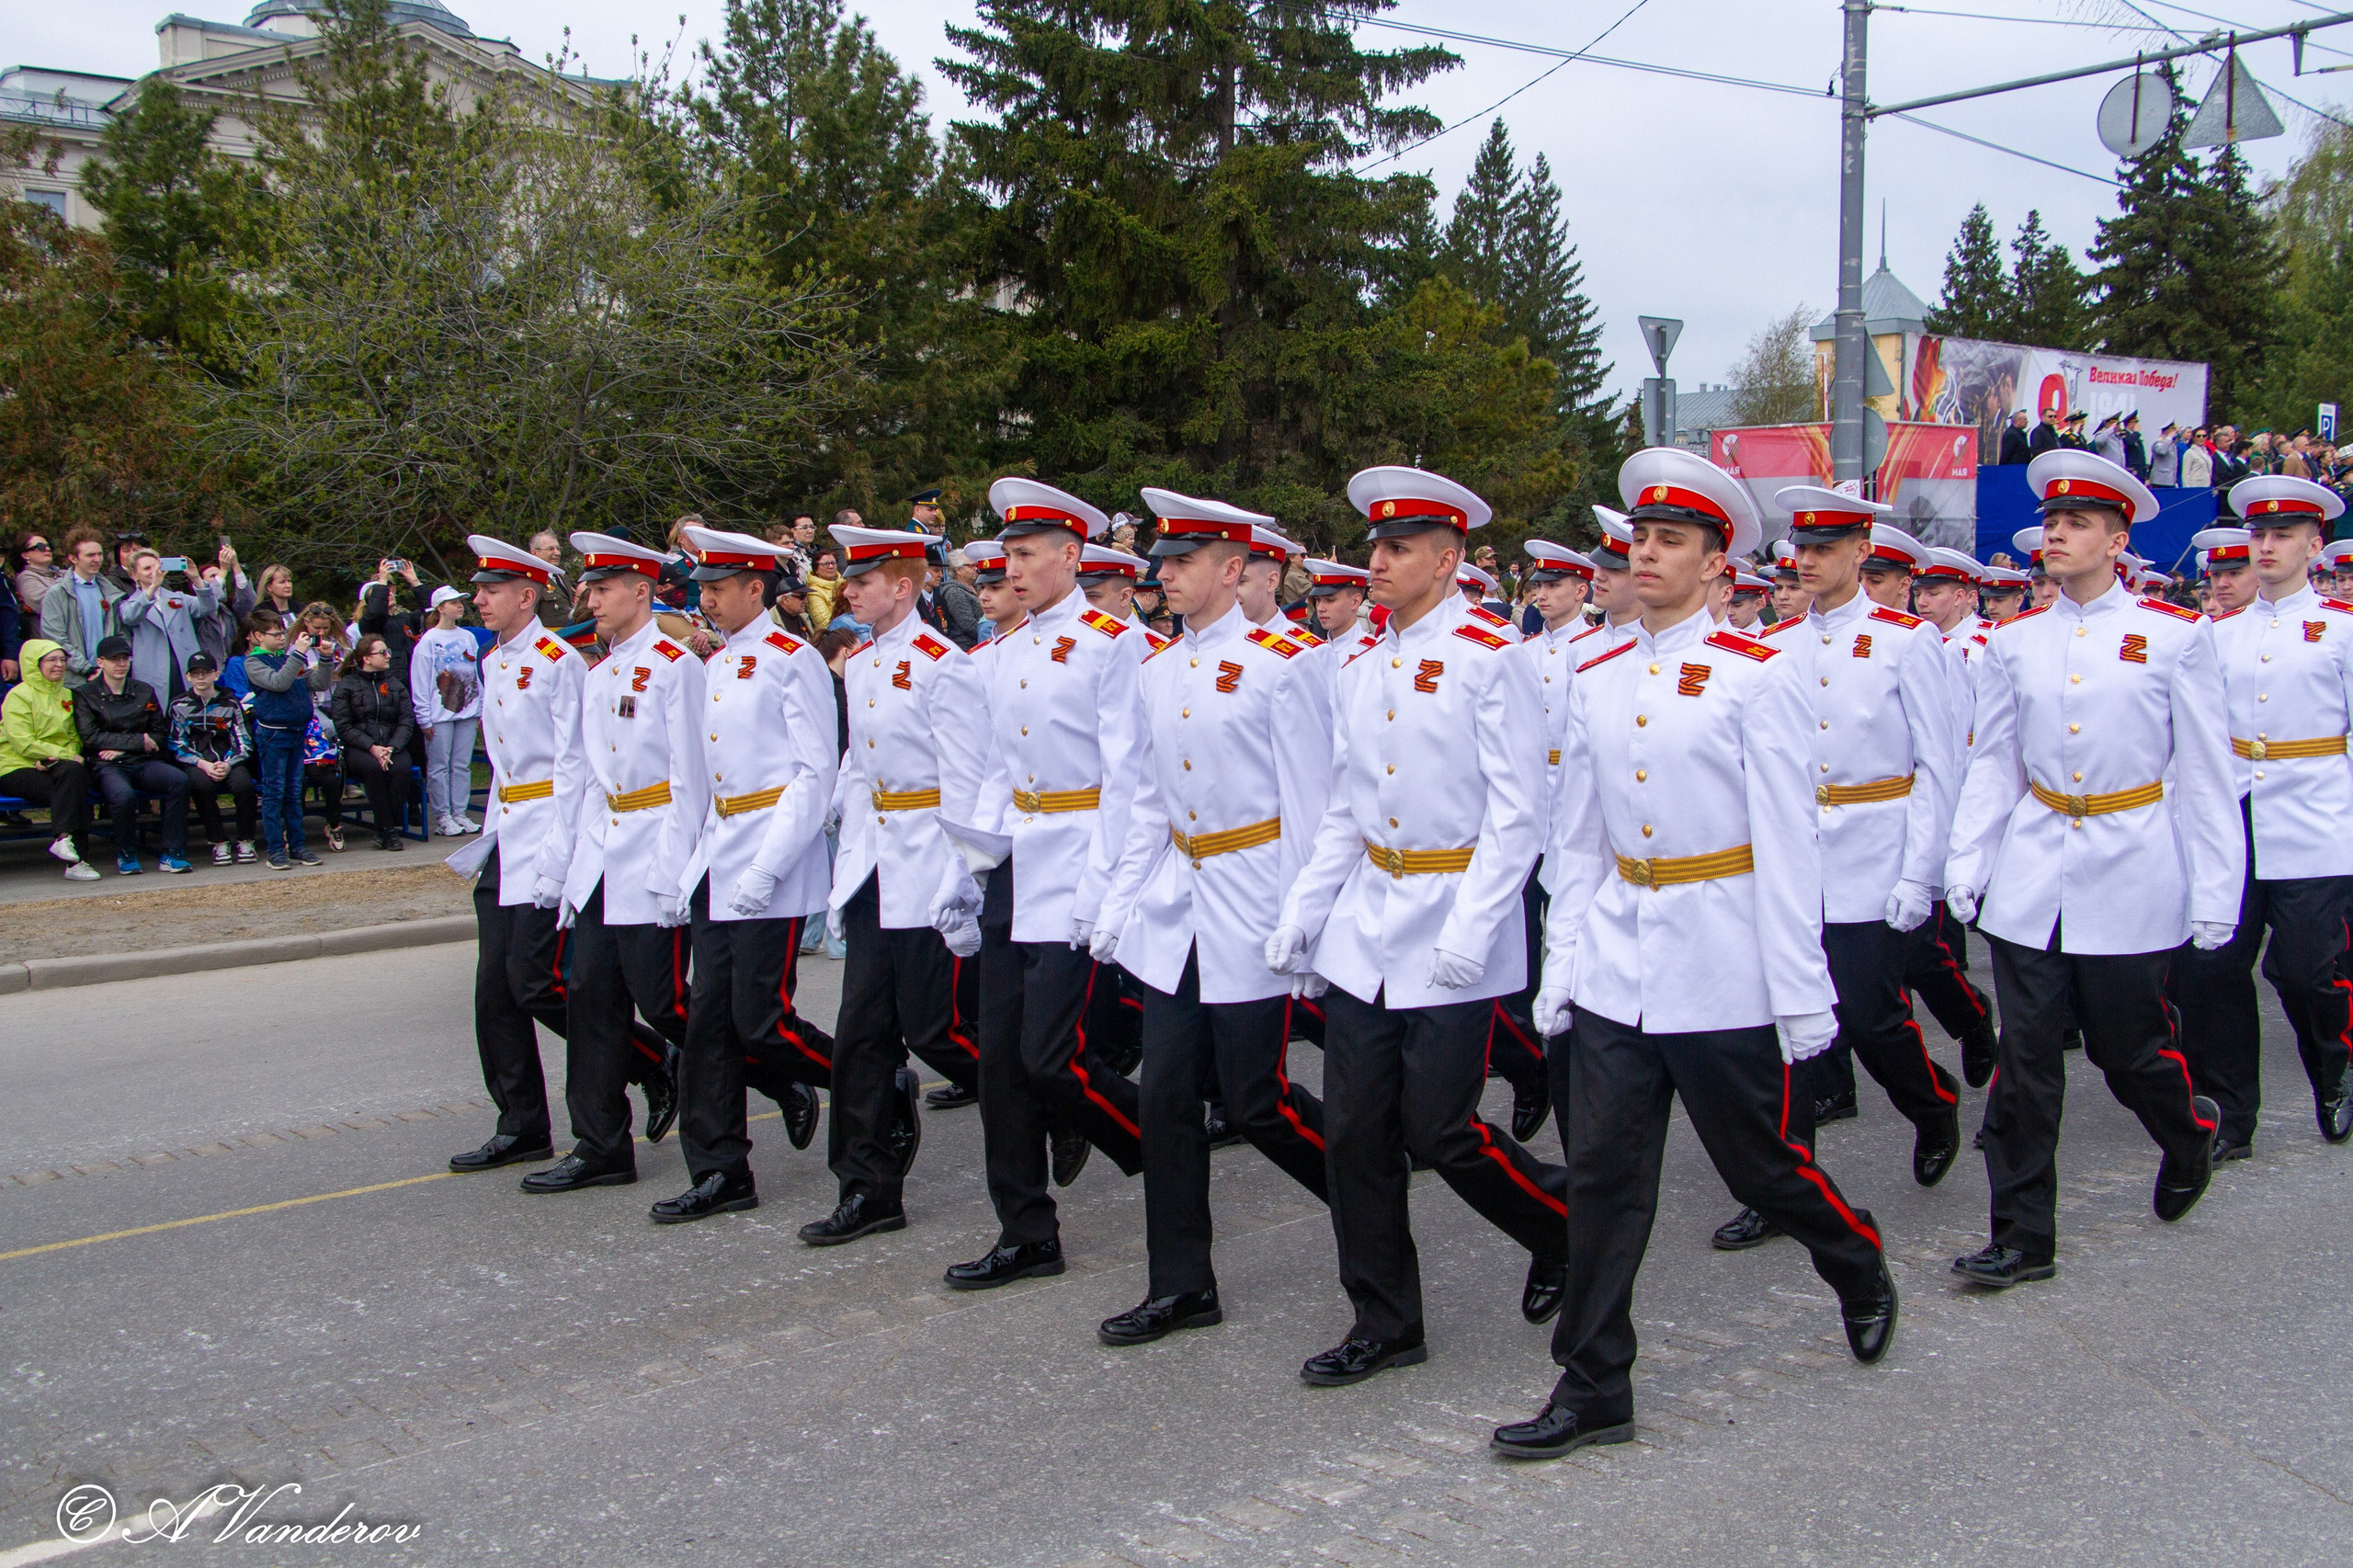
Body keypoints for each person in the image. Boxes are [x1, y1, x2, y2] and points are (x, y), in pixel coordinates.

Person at [1490, 447, 1895, 1462]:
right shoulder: (1594, 671)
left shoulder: (1759, 677)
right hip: (1623, 958)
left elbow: (1788, 843)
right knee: (1604, 1179)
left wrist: (1801, 989)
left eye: (1672, 539)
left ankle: (1854, 1258)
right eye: (1641, 537)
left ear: (1719, 564)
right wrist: (1564, 965)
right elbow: (1576, 835)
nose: (1648, 552)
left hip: (1722, 958)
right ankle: (1592, 1383)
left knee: (1759, 1167)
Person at [1267, 464, 1569, 1389]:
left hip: (1453, 917)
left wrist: (1475, 929)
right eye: (1375, 547)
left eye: (1398, 548)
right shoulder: (1356, 663)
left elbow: (1519, 812)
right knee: (1355, 1133)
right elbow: (1343, 809)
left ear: (1445, 560)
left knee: (1440, 1129)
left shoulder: (1492, 655)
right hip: (1368, 920)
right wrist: (1303, 917)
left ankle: (1558, 1224)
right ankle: (1384, 1318)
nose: (1379, 562)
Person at [1944, 449, 2237, 1290]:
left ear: (2117, 540)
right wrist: (1973, 857)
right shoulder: (2015, 641)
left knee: (2128, 1050)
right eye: (2052, 523)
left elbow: (2207, 776)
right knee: (2025, 1059)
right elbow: (1994, 762)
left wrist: (2216, 891)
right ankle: (2023, 1235)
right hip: (2036, 867)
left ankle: (2188, 1135)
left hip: (2131, 861)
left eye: (2077, 523)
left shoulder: (2176, 639)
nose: (2057, 535)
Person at [1086, 491, 1336, 1345]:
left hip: (1256, 890)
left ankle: (1361, 1192)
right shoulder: (1158, 667)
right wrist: (1119, 905)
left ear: (1233, 569)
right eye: (1163, 562)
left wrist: (1306, 919)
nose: (1165, 576)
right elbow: (1148, 803)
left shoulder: (1289, 660)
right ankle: (1181, 1282)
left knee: (1256, 1099)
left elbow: (1312, 802)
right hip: (1177, 903)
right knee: (1164, 1099)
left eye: (1184, 562)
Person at [1704, 494, 1962, 1253]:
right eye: (1801, 550)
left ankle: (1933, 1101)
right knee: (1779, 1024)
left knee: (1870, 1017)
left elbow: (1939, 766)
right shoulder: (1775, 645)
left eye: (1825, 548)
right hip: (1787, 856)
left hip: (1872, 848)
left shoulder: (1907, 641)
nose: (1807, 562)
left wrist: (1923, 874)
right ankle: (1785, 1182)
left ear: (1861, 552)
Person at [939, 477, 1146, 1292]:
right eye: (1005, 556)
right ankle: (1025, 1229)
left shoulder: (1111, 642)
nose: (1011, 569)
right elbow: (994, 769)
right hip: (1014, 864)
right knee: (1001, 1064)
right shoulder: (999, 652)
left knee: (1049, 1058)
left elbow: (1126, 778)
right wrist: (970, 865)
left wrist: (1106, 886)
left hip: (1077, 859)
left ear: (1070, 555)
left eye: (1026, 555)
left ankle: (1154, 1141)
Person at [446, 535, 679, 1176]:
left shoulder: (557, 661)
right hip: (509, 833)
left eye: (491, 591)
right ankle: (521, 1123)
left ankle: (647, 1059)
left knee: (538, 982)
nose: (480, 600)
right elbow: (501, 768)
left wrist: (561, 857)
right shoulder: (494, 663)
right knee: (496, 992)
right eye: (478, 591)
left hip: (554, 830)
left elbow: (576, 769)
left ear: (527, 595)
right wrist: (488, 841)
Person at [801, 522, 993, 1244]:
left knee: (934, 1027)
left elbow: (967, 784)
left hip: (929, 862)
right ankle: (868, 1186)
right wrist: (845, 863)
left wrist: (960, 883)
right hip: (878, 867)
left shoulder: (943, 664)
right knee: (862, 1036)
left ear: (903, 587)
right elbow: (858, 771)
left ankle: (1051, 1102)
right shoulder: (866, 662)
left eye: (863, 581)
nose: (849, 591)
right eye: (849, 580)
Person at [650, 526, 845, 1226]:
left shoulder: (792, 658)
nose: (705, 599)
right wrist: (686, 868)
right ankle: (721, 1169)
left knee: (760, 1022)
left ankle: (868, 1080)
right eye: (700, 588)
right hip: (720, 852)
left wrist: (767, 867)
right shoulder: (716, 663)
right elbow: (703, 782)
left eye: (716, 588)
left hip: (773, 857)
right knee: (707, 1027)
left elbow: (814, 771)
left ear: (754, 589)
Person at [2173, 478, 2353, 1159]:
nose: (2268, 546)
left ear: (2314, 544)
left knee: (2307, 973)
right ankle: (2229, 1115)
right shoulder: (2213, 636)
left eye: (2283, 535)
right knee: (2211, 973)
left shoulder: (2340, 630)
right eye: (2259, 535)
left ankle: (2336, 1065)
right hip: (2233, 819)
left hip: (2317, 821)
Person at [525, 533, 708, 1195]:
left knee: (666, 1002)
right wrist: (568, 867)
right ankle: (600, 1143)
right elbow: (587, 781)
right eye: (588, 589)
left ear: (642, 591)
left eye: (603, 589)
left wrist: (674, 870)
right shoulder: (598, 673)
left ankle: (776, 1069)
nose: (591, 600)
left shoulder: (674, 665)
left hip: (655, 847)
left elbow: (691, 779)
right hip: (603, 856)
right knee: (590, 1000)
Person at [74, 634, 192, 875]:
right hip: (106, 765)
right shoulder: (85, 694)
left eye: (125, 659)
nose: (121, 664)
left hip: (143, 761)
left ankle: (172, 851)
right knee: (123, 796)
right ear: (100, 662)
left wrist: (126, 746)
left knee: (179, 781)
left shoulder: (144, 691)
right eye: (114, 659)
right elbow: (91, 737)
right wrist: (138, 741)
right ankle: (126, 851)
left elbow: (159, 733)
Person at [0, 640, 99, 880]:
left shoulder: (67, 695)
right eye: (51, 660)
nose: (59, 665)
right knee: (74, 786)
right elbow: (22, 741)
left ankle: (65, 842)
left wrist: (55, 758)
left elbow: (75, 738)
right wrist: (61, 755)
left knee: (75, 777)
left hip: (54, 765)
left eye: (63, 660)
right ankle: (76, 860)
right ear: (35, 664)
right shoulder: (18, 696)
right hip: (14, 766)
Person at [242, 610, 323, 869]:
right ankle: (276, 850)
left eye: (282, 633)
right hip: (273, 734)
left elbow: (318, 683)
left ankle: (298, 845)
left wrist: (327, 658)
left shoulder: (289, 658)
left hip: (297, 731)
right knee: (274, 792)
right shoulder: (254, 663)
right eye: (275, 634)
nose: (281, 638)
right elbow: (279, 683)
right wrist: (297, 655)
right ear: (257, 636)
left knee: (294, 791)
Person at [169, 651, 258, 866]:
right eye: (195, 673)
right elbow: (176, 743)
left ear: (216, 675)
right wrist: (202, 764)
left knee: (244, 786)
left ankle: (247, 839)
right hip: (197, 762)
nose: (201, 678)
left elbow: (243, 740)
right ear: (188, 677)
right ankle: (218, 840)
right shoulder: (178, 705)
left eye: (206, 673)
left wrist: (228, 764)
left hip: (228, 760)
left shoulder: (230, 703)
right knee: (200, 787)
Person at [330, 636, 417, 851]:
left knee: (402, 770)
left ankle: (383, 828)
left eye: (388, 651)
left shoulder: (395, 684)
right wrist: (371, 746)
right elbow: (343, 725)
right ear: (366, 658)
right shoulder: (347, 685)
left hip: (390, 745)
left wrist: (392, 747)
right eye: (382, 652)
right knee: (373, 770)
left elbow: (406, 720)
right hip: (360, 746)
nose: (388, 656)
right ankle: (389, 831)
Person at [411, 585, 484, 837]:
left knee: (461, 765)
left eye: (461, 601)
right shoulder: (429, 641)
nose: (460, 605)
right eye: (453, 602)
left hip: (467, 710)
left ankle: (459, 813)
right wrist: (424, 718)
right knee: (439, 765)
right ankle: (443, 816)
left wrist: (480, 707)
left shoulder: (468, 637)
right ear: (441, 608)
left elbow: (476, 675)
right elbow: (421, 681)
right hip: (439, 714)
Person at [119, 549, 219, 705]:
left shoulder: (178, 597)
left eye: (156, 567)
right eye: (147, 568)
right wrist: (152, 589)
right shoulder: (130, 603)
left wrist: (196, 579)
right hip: (154, 673)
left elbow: (208, 607)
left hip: (184, 669)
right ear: (134, 575)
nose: (153, 572)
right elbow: (130, 617)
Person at [39, 528, 126, 688]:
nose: (97, 559)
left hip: (108, 677)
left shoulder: (110, 591)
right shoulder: (57, 594)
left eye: (99, 554)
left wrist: (113, 664)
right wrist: (87, 669)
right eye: (90, 555)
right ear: (73, 558)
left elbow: (120, 633)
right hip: (75, 680)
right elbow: (56, 639)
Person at [357, 559, 426, 672]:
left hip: (413, 676)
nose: (389, 594)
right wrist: (382, 581)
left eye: (389, 591)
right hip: (388, 678)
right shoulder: (368, 624)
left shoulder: (407, 618)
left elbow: (432, 612)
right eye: (384, 593)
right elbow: (376, 615)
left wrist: (416, 583)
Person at [1303, 558, 1370, 642]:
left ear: (1355, 602)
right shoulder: (1316, 650)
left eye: (1330, 600)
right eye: (1318, 600)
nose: (1320, 608)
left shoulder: (1373, 653)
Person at [14, 530, 63, 629]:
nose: (48, 549)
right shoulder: (26, 578)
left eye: (49, 546)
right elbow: (47, 604)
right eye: (41, 546)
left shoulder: (63, 573)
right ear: (25, 555)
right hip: (49, 636)